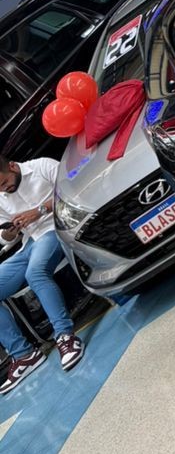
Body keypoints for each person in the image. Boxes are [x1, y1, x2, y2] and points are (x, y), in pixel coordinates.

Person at [0, 155, 84, 391]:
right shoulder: (0, 195)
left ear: (12, 166)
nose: (4, 189)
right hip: (28, 243)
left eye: (4, 182)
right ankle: (24, 355)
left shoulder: (41, 166)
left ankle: (66, 336)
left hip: (54, 228)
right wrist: (8, 234)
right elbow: (4, 237)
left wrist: (39, 210)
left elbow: (73, 186)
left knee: (35, 273)